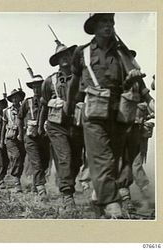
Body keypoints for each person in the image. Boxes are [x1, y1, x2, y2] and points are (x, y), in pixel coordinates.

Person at [66, 13, 155, 218]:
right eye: (103, 22)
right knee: (101, 157)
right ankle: (112, 204)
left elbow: (136, 79)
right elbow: (74, 83)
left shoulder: (122, 53)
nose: (108, 25)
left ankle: (99, 195)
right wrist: (69, 108)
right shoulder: (83, 53)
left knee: (115, 158)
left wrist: (149, 100)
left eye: (111, 22)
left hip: (119, 113)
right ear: (94, 27)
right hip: (94, 114)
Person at [39, 36, 81, 213]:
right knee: (65, 157)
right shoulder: (49, 81)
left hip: (78, 124)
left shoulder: (81, 77)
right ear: (56, 61)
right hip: (56, 126)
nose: (65, 58)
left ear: (72, 56)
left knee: (77, 160)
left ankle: (66, 181)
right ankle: (67, 195)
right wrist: (41, 126)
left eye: (68, 54)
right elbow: (44, 104)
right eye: (61, 56)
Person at [18, 74, 50, 200]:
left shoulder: (47, 101)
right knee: (36, 162)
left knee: (45, 162)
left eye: (39, 87)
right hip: (30, 137)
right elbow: (20, 118)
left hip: (45, 137)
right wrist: (20, 133)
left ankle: (35, 185)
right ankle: (41, 188)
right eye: (34, 87)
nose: (36, 90)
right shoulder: (27, 102)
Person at [1, 88, 26, 192]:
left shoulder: (25, 108)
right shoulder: (6, 111)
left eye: (17, 97)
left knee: (22, 158)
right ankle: (16, 181)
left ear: (20, 98)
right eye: (13, 98)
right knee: (16, 156)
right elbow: (3, 126)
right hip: (10, 137)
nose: (15, 99)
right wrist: (1, 140)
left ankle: (19, 178)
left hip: (23, 137)